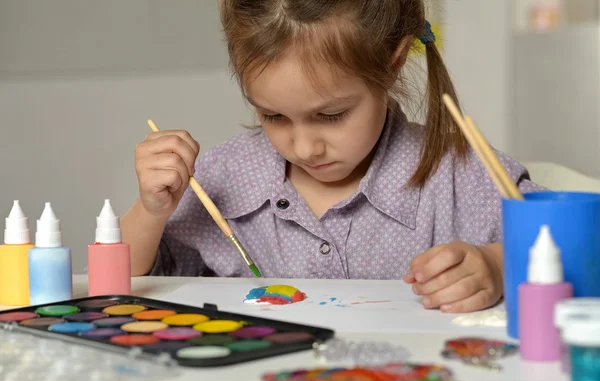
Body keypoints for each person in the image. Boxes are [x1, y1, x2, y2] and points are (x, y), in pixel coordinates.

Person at [121, 0, 545, 313]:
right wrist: (150, 211)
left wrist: (496, 265)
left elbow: (583, 245)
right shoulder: (225, 174)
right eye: (273, 115)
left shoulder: (457, 172)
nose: (304, 147)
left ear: (392, 63)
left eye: (330, 115)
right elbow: (126, 285)